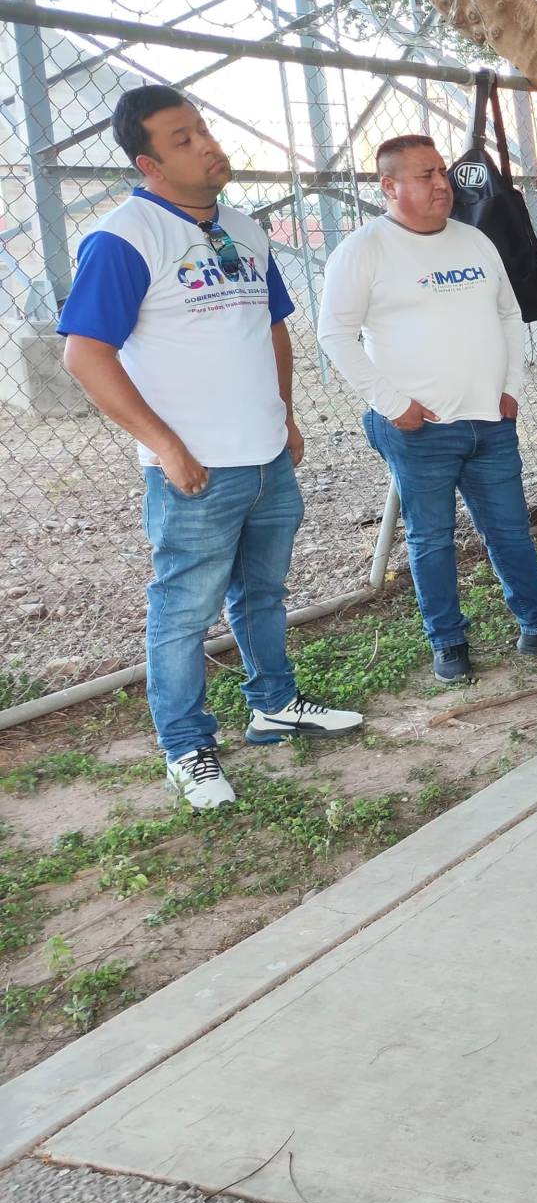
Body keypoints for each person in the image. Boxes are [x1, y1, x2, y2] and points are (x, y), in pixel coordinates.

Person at [57, 85, 363, 810]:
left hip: (264, 456)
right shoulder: (126, 236)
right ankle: (186, 745)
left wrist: (284, 416)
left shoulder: (245, 228)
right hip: (194, 470)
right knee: (183, 611)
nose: (206, 145)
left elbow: (274, 325)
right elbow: (84, 355)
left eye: (203, 129)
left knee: (262, 592)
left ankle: (273, 704)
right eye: (184, 138)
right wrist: (164, 445)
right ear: (149, 162)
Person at [319, 135, 537, 685]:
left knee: (511, 531)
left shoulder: (474, 242)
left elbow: (508, 316)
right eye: (425, 175)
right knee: (432, 538)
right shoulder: (364, 249)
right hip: (420, 428)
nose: (442, 183)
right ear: (389, 186)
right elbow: (335, 335)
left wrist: (510, 387)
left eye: (442, 172)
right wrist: (394, 405)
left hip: (491, 420)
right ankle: (448, 641)